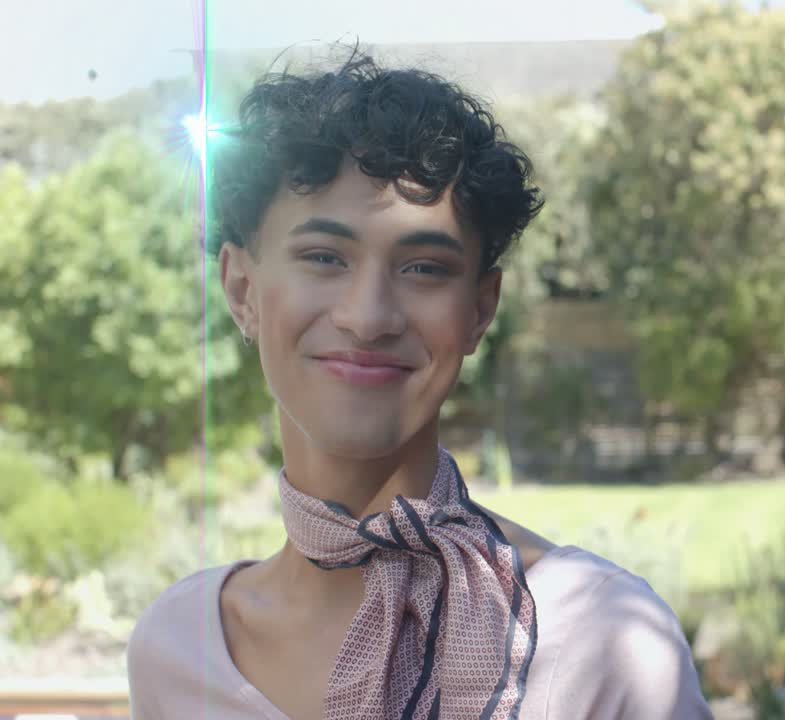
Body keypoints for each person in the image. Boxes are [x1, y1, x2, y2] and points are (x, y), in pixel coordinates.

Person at [126, 44, 712, 720]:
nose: (368, 317)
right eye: (324, 257)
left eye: (425, 268)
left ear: (479, 310)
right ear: (241, 289)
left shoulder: (600, 637)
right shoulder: (179, 649)